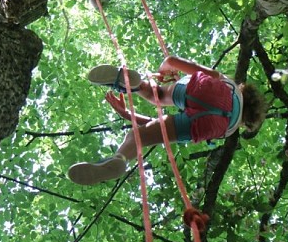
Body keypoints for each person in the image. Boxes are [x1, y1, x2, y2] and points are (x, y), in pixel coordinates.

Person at [68, 56, 268, 185]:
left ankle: (134, 83)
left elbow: (172, 60)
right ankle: (118, 160)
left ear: (245, 90)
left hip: (210, 91)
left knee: (160, 96)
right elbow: (161, 127)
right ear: (246, 122)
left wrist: (164, 71)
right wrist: (127, 115)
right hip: (216, 125)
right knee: (139, 137)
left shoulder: (230, 84)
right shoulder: (231, 129)